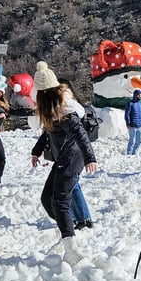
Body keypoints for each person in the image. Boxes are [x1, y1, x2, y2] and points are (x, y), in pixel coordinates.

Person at [28, 61, 98, 265]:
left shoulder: (64, 108)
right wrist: (36, 150)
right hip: (63, 157)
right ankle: (68, 232)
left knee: (59, 200)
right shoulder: (52, 108)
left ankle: (71, 249)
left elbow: (80, 133)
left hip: (73, 156)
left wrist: (89, 157)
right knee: (46, 198)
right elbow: (48, 132)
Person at [59, 78, 95, 229]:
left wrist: (90, 158)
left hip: (75, 152)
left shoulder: (69, 109)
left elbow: (81, 135)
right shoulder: (63, 107)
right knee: (71, 184)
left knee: (71, 184)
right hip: (68, 151)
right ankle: (78, 217)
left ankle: (83, 218)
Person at [125, 89, 141, 155]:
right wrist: (128, 123)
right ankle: (129, 153)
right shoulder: (130, 103)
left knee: (139, 141)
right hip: (132, 126)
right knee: (132, 141)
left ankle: (135, 152)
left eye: (140, 95)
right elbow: (127, 114)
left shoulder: (140, 104)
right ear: (135, 95)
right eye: (139, 95)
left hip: (139, 126)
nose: (140, 96)